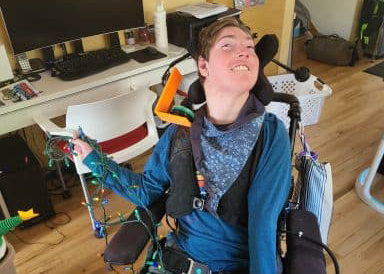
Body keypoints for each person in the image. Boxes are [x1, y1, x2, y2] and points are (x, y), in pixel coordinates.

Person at [73, 17, 291, 274]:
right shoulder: (181, 132)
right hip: (179, 262)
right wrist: (95, 160)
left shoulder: (270, 134)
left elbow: (263, 229)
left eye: (250, 47)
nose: (244, 50)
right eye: (227, 46)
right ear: (203, 65)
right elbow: (146, 191)